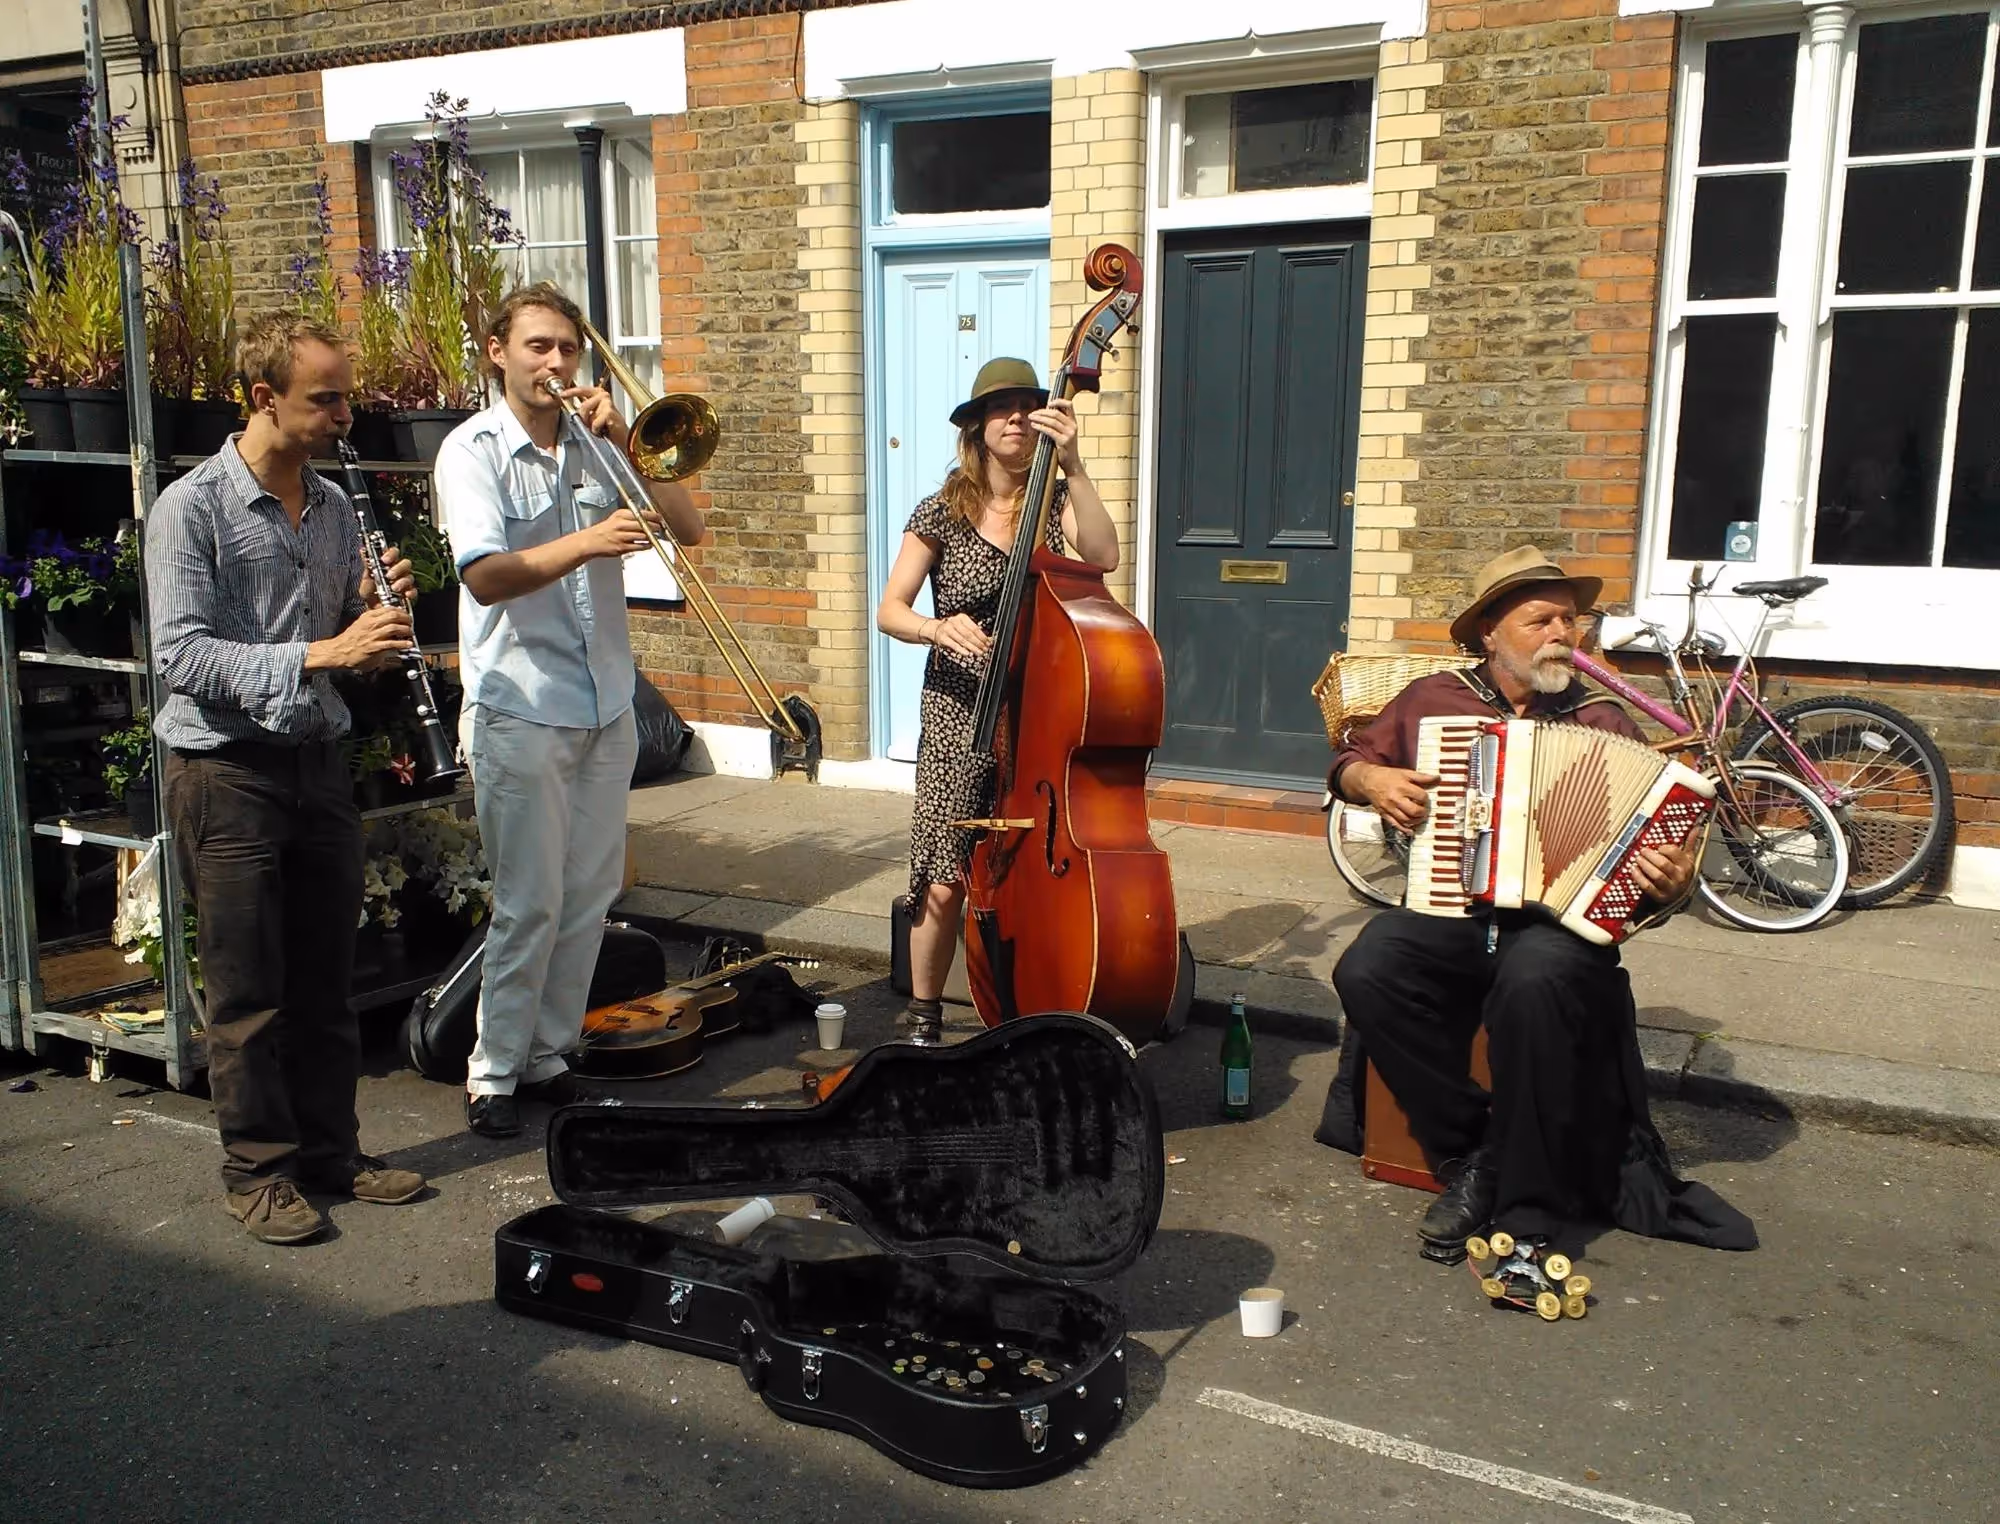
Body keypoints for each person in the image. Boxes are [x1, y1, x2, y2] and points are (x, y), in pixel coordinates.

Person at [1319, 546, 1756, 1262]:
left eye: (1569, 620)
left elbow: (1655, 876)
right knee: (1368, 967)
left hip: (1558, 924)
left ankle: (1522, 1200)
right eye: (1541, 620)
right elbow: (1345, 762)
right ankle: (1475, 1149)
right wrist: (1370, 780)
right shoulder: (1434, 700)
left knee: (1535, 979)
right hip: (1455, 907)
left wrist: (1672, 885)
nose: (1562, 634)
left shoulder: (1602, 720)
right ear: (1489, 633)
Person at [146, 312, 428, 1245]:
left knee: (324, 982)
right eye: (327, 399)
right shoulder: (192, 508)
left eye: (346, 396)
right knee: (247, 994)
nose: (346, 415)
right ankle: (258, 1172)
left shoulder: (335, 507)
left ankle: (331, 1151)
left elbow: (345, 646)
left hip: (316, 762)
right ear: (264, 398)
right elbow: (181, 656)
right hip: (224, 772)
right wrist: (323, 651)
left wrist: (372, 618)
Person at [438, 282, 704, 1139]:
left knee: (588, 898)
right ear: (498, 353)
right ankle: (492, 1073)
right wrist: (591, 540)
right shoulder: (471, 452)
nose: (556, 363)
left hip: (605, 703)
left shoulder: (596, 440)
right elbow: (485, 576)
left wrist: (626, 439)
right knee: (529, 903)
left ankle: (548, 1055)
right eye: (538, 346)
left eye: (566, 347)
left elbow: (688, 528)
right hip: (522, 705)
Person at [874, 358, 1121, 1044]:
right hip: (958, 710)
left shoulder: (1055, 503)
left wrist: (1075, 465)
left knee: (1035, 864)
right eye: (1000, 407)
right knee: (945, 871)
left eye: (1026, 405)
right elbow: (890, 610)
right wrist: (934, 628)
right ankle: (924, 1017)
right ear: (977, 427)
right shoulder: (942, 511)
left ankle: (1035, 1000)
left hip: (1039, 709)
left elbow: (1105, 555)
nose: (1015, 417)